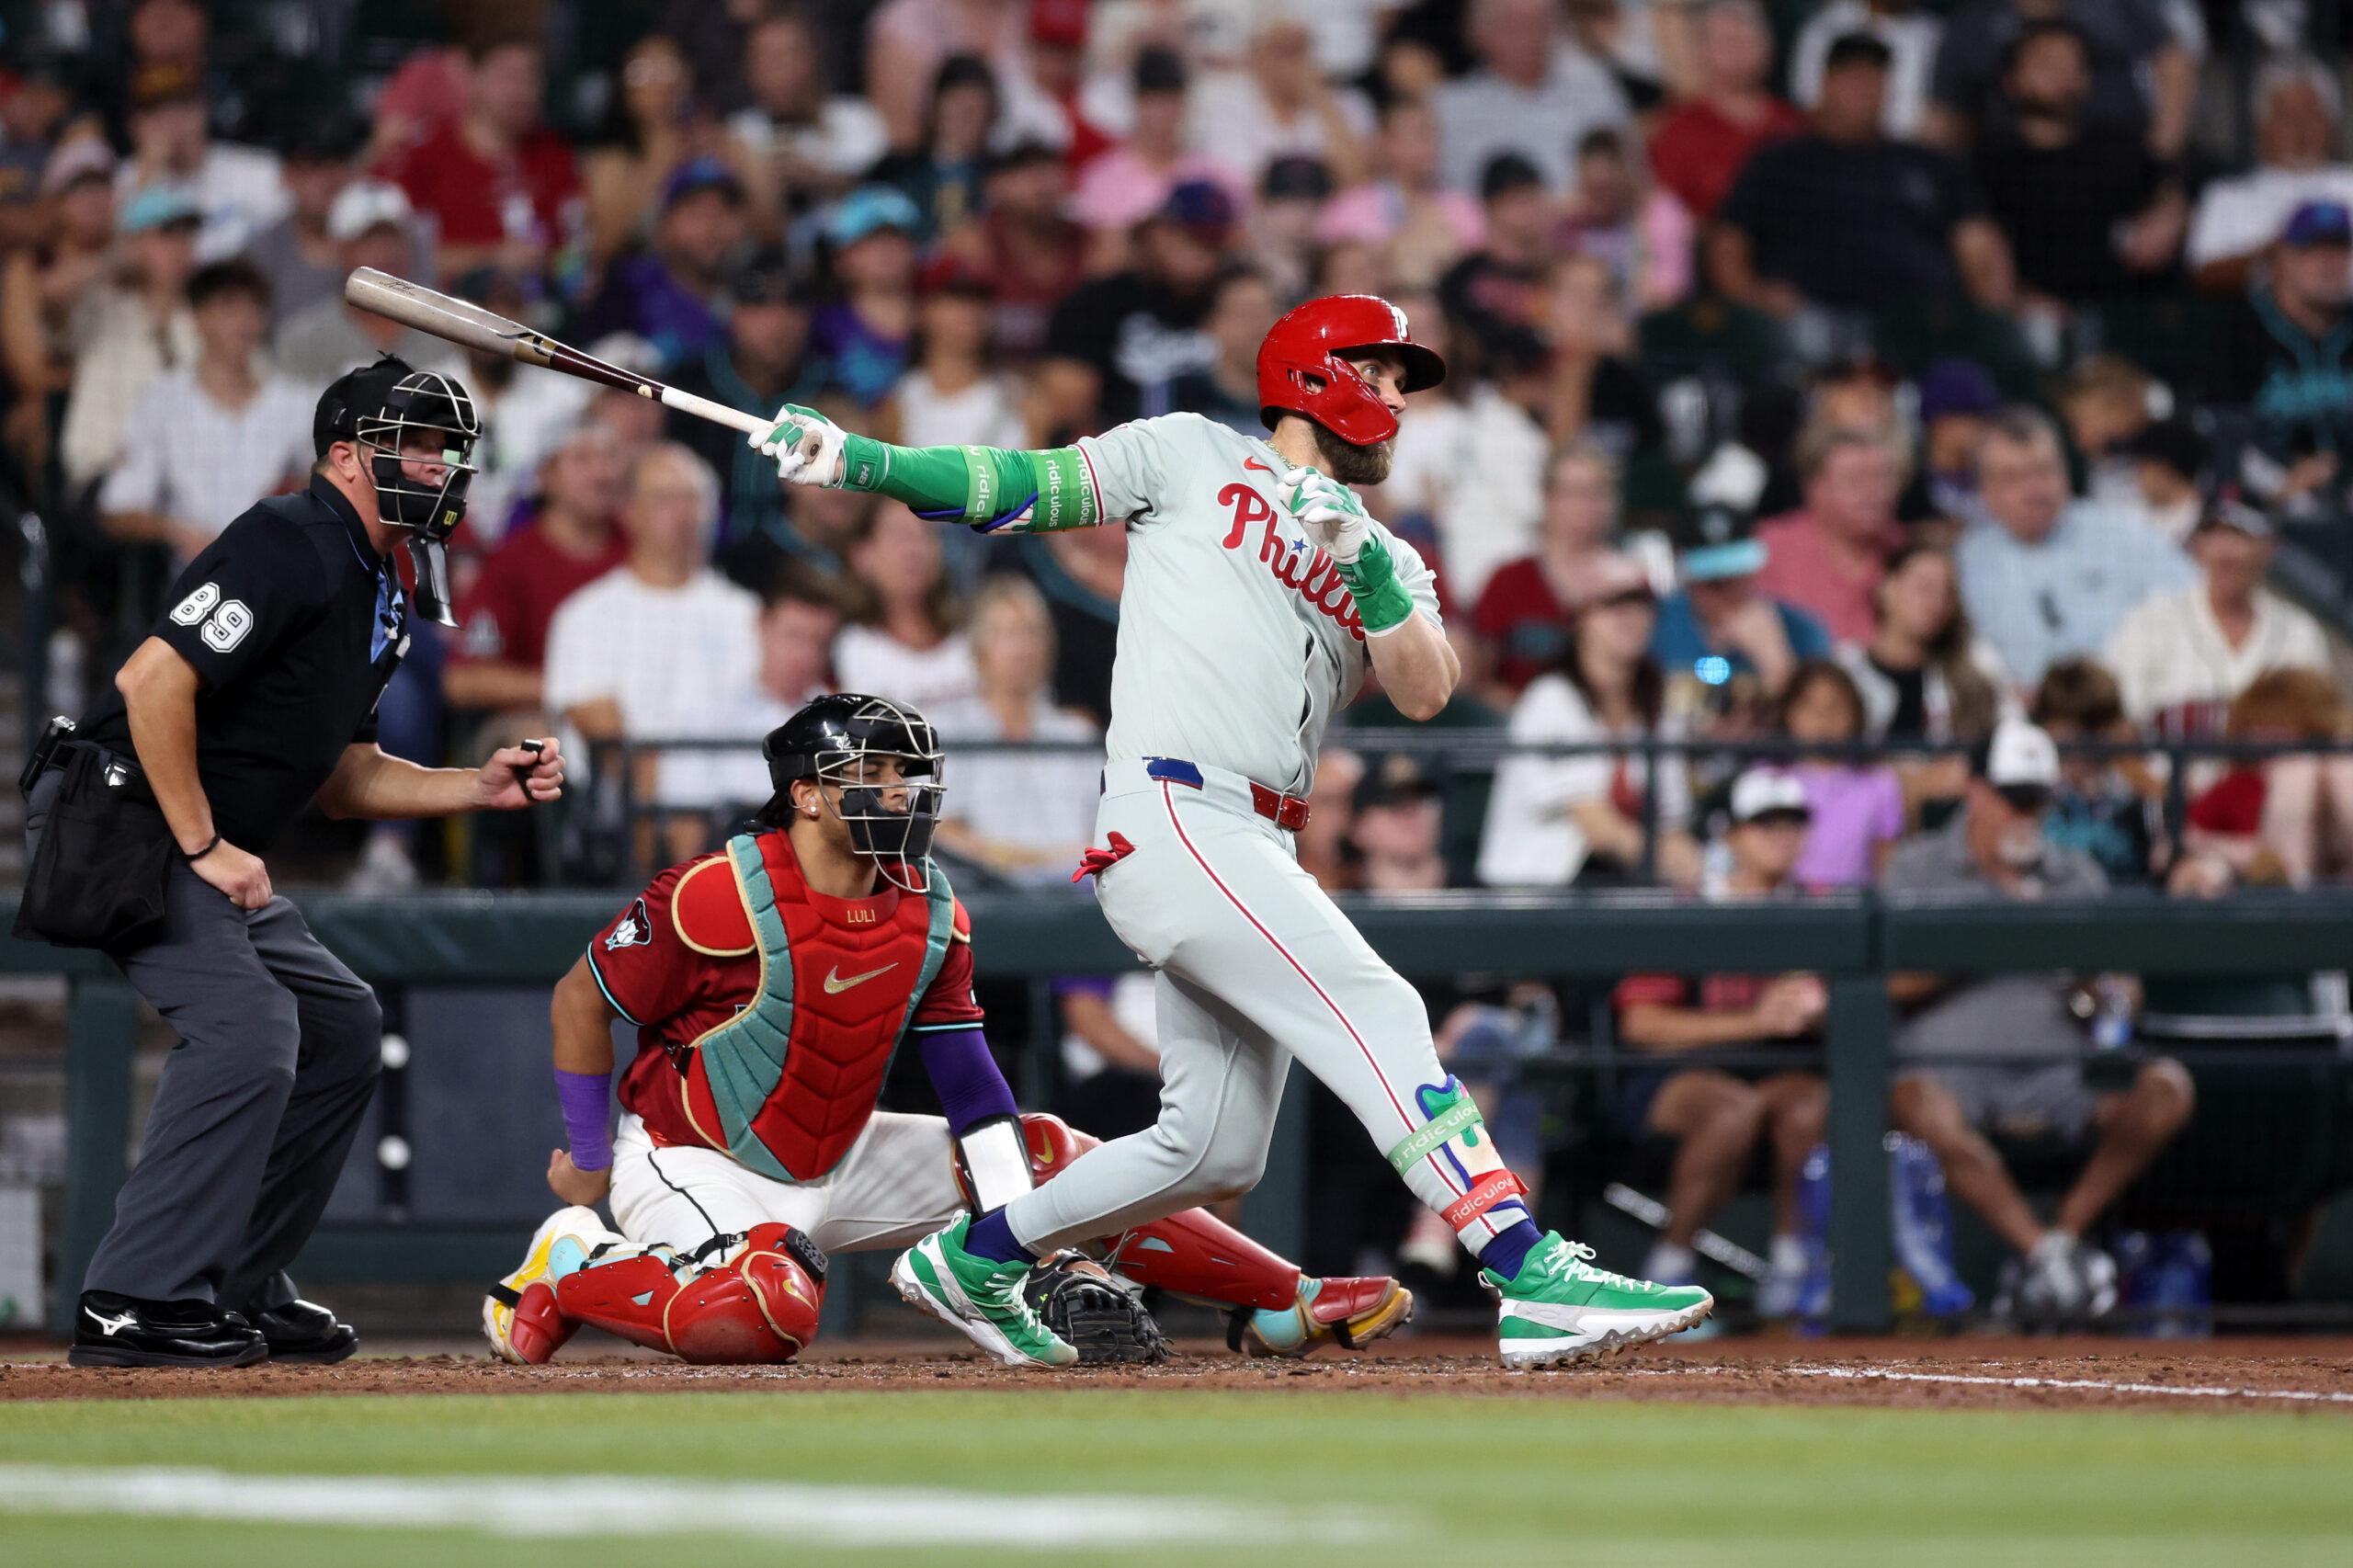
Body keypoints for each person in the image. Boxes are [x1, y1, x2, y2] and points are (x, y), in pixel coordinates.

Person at [746, 293, 1711, 1366]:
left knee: (1210, 1149)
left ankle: (976, 1258)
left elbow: (1428, 688)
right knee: (1380, 1005)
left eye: (1402, 383)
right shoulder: (1190, 453)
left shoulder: (1390, 553)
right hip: (1176, 807)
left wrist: (1369, 571)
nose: (1397, 401)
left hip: (1257, 837)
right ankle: (1524, 1266)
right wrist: (861, 461)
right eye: (1382, 374)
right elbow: (1021, 485)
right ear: (1315, 375)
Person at [484, 694, 1409, 1365]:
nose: (901, 792)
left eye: (908, 773)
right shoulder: (716, 892)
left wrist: (1022, 1231)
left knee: (1052, 1156)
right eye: (873, 774)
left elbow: (968, 1079)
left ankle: (1280, 1300)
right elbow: (579, 998)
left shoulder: (928, 901)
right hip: (697, 1158)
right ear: (806, 795)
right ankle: (572, 1261)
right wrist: (589, 1157)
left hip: (843, 1153)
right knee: (760, 1317)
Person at [24, 358, 563, 1368]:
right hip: (126, 818)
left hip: (190, 830)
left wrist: (474, 785)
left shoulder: (380, 582)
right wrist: (202, 843)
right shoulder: (289, 536)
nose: (440, 467)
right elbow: (151, 681)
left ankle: (236, 1282)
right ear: (347, 457)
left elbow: (347, 775)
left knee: (341, 1023)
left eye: (449, 450)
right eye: (416, 445)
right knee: (249, 1029)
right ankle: (133, 1297)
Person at [1885, 720, 2197, 1324]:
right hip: (1951, 1072)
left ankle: (2057, 1243)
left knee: (2166, 1088)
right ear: (1975, 790)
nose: (2024, 814)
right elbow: (1883, 984)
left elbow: (2122, 993)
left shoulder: (2074, 874)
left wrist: (2097, 990)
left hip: (2059, 1073)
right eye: (2012, 798)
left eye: (2036, 800)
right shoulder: (1918, 867)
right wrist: (1983, 943)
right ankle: (2044, 1253)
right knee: (1913, 1100)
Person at [1612, 768, 1829, 1314]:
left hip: (1783, 1070)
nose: (1782, 836)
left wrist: (1822, 1007)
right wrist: (1756, 1020)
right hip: (1681, 1073)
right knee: (1734, 1110)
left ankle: (1793, 1265)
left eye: (1793, 823)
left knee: (1807, 1105)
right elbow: (1642, 1026)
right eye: (1765, 824)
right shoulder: (1691, 907)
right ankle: (1669, 1267)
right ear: (1730, 834)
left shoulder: (1821, 906)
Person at [1711, 33, 2015, 325]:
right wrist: (1755, 299)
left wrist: (1987, 320)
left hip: (1922, 326)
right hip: (1804, 326)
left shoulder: (1929, 164)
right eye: (1853, 78)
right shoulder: (1778, 162)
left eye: (1875, 79)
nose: (1865, 90)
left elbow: (1981, 246)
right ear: (1826, 83)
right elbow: (1729, 244)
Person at [1480, 552, 1700, 890]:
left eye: (1642, 605)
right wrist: (1668, 859)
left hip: (1620, 886)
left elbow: (1671, 818)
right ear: (1581, 617)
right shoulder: (1550, 699)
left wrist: (1689, 860)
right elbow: (1597, 825)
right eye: (1614, 605)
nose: (1632, 617)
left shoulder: (1656, 703)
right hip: (1535, 894)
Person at [543, 444, 762, 764]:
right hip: (624, 791)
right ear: (629, 512)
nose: (684, 514)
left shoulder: (747, 614)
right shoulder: (586, 615)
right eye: (665, 499)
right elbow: (602, 736)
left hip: (737, 787)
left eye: (695, 498)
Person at [1955, 407, 2192, 688]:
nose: (2034, 490)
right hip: (2016, 708)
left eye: (2044, 470)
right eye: (2014, 478)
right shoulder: (1967, 561)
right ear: (1986, 491)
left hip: (2126, 701)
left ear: (2066, 471)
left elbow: (2194, 606)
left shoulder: (2125, 535)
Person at [97, 259, 312, 566]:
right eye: (228, 308)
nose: (244, 322)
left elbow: (327, 487)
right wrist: (178, 532)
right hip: (194, 573)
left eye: (254, 309)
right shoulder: (162, 400)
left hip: (276, 566)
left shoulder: (296, 401)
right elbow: (119, 507)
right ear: (197, 317)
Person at [1969, 20, 2186, 313]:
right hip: (2026, 324)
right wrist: (2020, 303)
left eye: (2076, 66)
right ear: (2011, 79)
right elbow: (1979, 257)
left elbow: (2169, 187)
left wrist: (2168, 215)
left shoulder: (2117, 150)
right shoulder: (1987, 166)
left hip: (2125, 316)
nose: (2064, 76)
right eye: (2048, 64)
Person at [444, 423, 631, 725]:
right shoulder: (513, 561)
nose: (601, 474)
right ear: (547, 476)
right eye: (582, 459)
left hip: (642, 713)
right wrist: (572, 692)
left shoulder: (639, 548)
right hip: (541, 716)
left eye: (610, 458)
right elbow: (462, 679)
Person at [2102, 495, 2332, 742]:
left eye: (2240, 535)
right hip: (2168, 765)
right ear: (2198, 544)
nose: (2226, 552)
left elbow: (2323, 727)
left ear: (2268, 547)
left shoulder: (2299, 633)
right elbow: (2113, 727)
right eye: (2214, 535)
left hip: (2272, 766)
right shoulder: (2149, 621)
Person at [929, 576, 1099, 885]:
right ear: (979, 648)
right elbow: (942, 831)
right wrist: (1021, 861)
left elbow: (1103, 831)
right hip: (983, 892)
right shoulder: (951, 733)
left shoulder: (1077, 736)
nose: (1022, 649)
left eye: (1031, 632)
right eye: (1006, 634)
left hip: (1074, 892)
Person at [380, 36, 579, 283]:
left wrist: (556, 264)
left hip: (541, 301)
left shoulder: (555, 156)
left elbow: (576, 253)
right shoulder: (422, 156)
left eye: (532, 77)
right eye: (508, 76)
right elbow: (388, 257)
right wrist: (492, 258)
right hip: (443, 300)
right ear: (472, 77)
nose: (522, 91)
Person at [1039, 179, 1227, 433]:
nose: (1201, 255)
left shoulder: (1232, 299)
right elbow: (1067, 406)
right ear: (1156, 233)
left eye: (1214, 244)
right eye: (1190, 238)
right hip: (1120, 445)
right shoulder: (1097, 302)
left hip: (1216, 445)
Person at [1836, 542, 2007, 814]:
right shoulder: (1845, 669)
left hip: (1948, 812)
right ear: (1887, 587)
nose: (1936, 603)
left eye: (1947, 593)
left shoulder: (1974, 667)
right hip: (1858, 811)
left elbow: (2008, 736)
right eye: (1925, 588)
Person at [2206, 201, 2353, 518]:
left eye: (2340, 249)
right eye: (2312, 250)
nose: (2329, 264)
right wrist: (2280, 483)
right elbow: (2221, 434)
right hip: (2264, 509)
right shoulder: (2238, 331)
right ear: (2282, 257)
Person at [1924, 0, 2193, 161]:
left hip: (2115, 163)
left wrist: (2160, 162)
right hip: (2009, 180)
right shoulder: (1972, 22)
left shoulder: (2113, 7)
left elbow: (2173, 63)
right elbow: (1945, 120)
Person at [57, 187, 198, 493]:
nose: (180, 247)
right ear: (134, 243)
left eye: (187, 235)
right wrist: (118, 256)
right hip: (102, 474)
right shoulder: (101, 309)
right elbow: (51, 298)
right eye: (166, 235)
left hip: (183, 485)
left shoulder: (205, 320)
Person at [1469, 442, 1623, 702]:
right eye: (1572, 492)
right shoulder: (1508, 580)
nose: (1585, 504)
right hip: (1519, 716)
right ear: (1547, 498)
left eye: (1596, 492)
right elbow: (1479, 680)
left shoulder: (1629, 583)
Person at [2187, 57, 2353, 295]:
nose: (2301, 129)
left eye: (2311, 115)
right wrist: (2273, 254)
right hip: (2251, 316)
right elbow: (2203, 274)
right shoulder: (2228, 195)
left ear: (2331, 123)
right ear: (2261, 126)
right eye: (2286, 116)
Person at [1434, 0, 1632, 195]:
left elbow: (1632, 177)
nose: (1533, 38)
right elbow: (1452, 195)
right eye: (1518, 26)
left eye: (1543, 24)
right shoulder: (1451, 108)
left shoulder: (1596, 92)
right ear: (1481, 33)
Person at [574, 159, 747, 377]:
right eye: (696, 213)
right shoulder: (625, 291)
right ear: (664, 224)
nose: (713, 226)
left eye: (724, 211)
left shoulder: (759, 291)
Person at [1066, 46, 1245, 254]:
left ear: (1185, 103)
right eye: (1154, 101)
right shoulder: (1101, 177)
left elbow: (1237, 239)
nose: (1164, 113)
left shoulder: (1216, 176)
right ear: (1136, 102)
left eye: (1172, 101)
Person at [726, 4, 889, 231]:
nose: (780, 70)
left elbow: (884, 195)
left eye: (789, 55)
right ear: (749, 69)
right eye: (767, 58)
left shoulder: (856, 119)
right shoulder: (739, 134)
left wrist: (818, 178)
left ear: (814, 59)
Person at [272, 180, 449, 389]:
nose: (386, 253)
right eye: (369, 241)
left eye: (393, 238)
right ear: (340, 250)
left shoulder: (446, 331)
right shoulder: (304, 339)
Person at [582, 34, 736, 265]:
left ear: (687, 79)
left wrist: (727, 155)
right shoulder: (611, 165)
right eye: (642, 71)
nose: (660, 84)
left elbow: (769, 228)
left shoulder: (722, 144)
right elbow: (604, 245)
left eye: (669, 68)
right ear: (626, 92)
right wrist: (662, 154)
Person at [112, 62, 286, 264]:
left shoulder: (258, 170)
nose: (172, 120)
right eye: (156, 112)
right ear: (135, 125)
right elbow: (114, 260)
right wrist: (146, 178)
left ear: (204, 109)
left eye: (183, 106)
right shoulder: (123, 181)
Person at [1648, 0, 1803, 222]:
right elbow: (1667, 214)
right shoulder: (1679, 133)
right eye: (1728, 41)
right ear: (1701, 50)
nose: (1740, 50)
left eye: (1748, 39)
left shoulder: (1794, 123)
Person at [1316, 97, 1485, 290]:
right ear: (1383, 142)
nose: (1430, 145)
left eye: (1433, 134)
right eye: (1418, 135)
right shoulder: (1345, 210)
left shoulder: (1462, 207)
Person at [1754, 426, 1903, 645]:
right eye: (1854, 480)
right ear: (1813, 488)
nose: (1874, 493)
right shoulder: (1767, 549)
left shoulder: (1909, 550)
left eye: (1882, 478)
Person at [2031, 657, 2165, 887]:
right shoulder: (2029, 795)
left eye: (2097, 727)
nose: (2091, 741)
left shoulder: (2140, 793)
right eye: (2075, 728)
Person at [1772, 659, 1904, 890]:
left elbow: (1886, 866)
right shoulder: (1767, 778)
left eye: (1835, 707)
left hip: (1855, 904)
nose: (1823, 719)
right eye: (1810, 706)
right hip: (1781, 903)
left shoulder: (1879, 783)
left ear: (1855, 714)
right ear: (1788, 713)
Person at [1790, 0, 1943, 140]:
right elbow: (1808, 103)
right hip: (1834, 144)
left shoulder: (1933, 33)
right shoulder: (1827, 24)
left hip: (1908, 148)